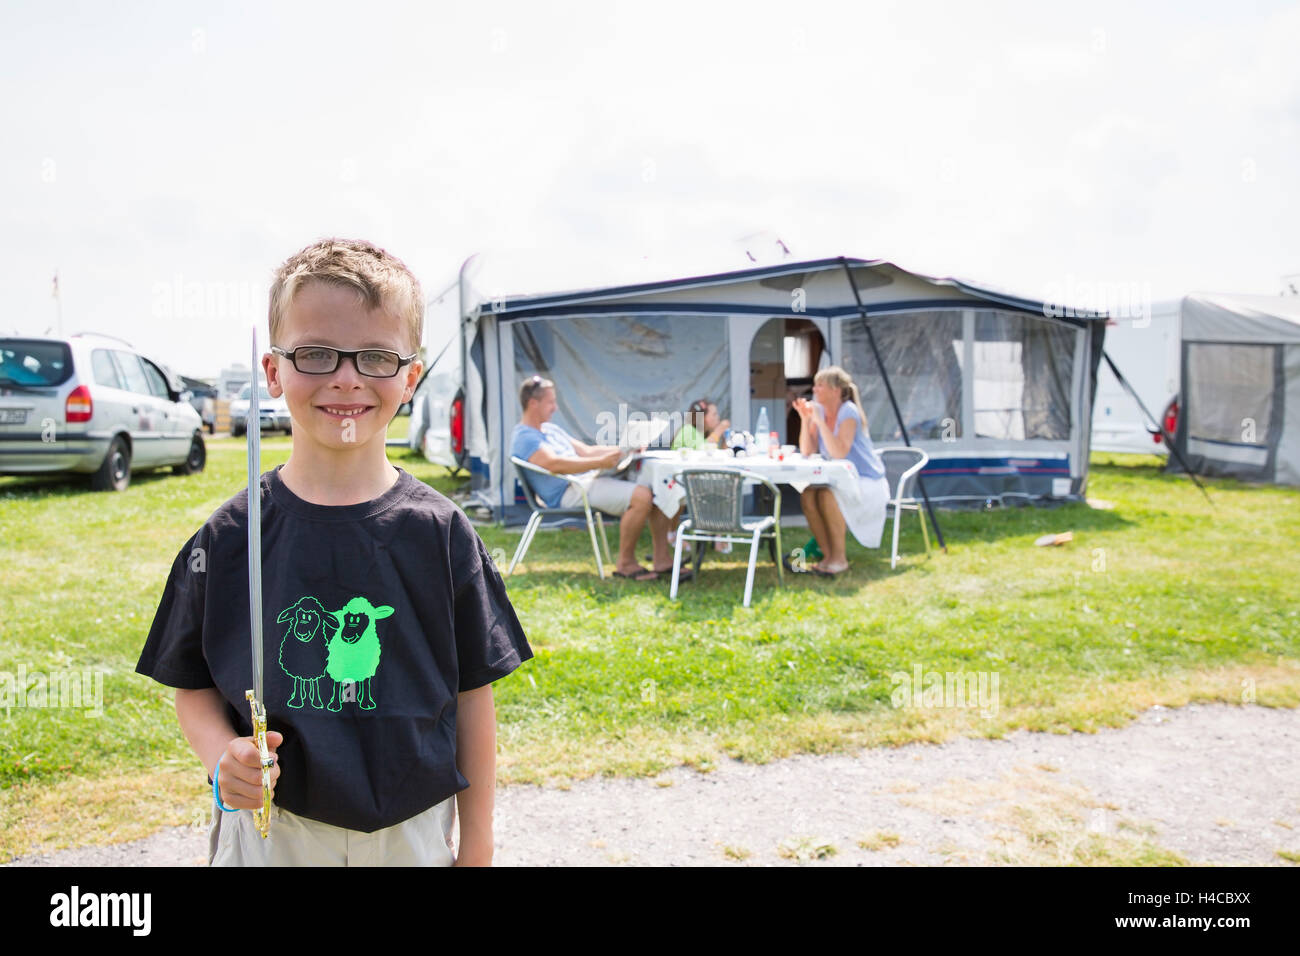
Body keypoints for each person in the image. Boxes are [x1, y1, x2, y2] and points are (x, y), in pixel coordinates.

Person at [136, 238, 532, 866]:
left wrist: (478, 842)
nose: (346, 377)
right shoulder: (229, 538)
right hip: (273, 834)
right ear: (273, 371)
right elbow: (193, 686)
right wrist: (223, 758)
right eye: (316, 353)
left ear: (410, 375)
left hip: (410, 834)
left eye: (376, 356)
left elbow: (471, 695)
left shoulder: (442, 533)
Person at [510, 376, 681, 581]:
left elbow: (587, 451)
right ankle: (625, 563)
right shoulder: (525, 437)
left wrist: (623, 450)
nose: (555, 407)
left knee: (655, 490)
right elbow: (555, 465)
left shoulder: (549, 429)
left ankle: (662, 559)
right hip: (568, 492)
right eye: (551, 402)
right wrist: (600, 463)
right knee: (641, 497)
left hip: (583, 482)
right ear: (533, 403)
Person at [791, 365, 890, 576]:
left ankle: (840, 559)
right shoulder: (821, 412)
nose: (814, 390)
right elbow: (807, 450)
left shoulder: (848, 412)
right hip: (842, 479)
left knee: (826, 495)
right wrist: (806, 419)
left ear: (835, 391)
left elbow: (839, 452)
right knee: (808, 494)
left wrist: (819, 421)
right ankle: (827, 556)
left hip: (867, 481)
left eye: (820, 386)